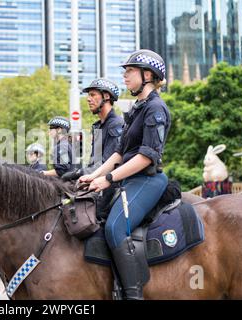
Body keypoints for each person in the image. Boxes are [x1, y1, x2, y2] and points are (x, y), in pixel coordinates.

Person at [79, 49, 170, 299]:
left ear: (148, 75)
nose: (125, 76)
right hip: (128, 179)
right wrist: (93, 176)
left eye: (130, 71)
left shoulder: (156, 109)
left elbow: (147, 156)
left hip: (147, 180)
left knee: (115, 228)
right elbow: (119, 153)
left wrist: (107, 179)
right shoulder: (138, 108)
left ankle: (132, 295)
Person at [62, 78, 125, 218]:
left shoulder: (116, 125)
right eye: (88, 95)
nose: (88, 99)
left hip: (110, 187)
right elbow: (94, 162)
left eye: (92, 94)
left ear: (106, 97)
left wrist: (77, 173)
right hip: (96, 182)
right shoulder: (98, 126)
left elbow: (108, 163)